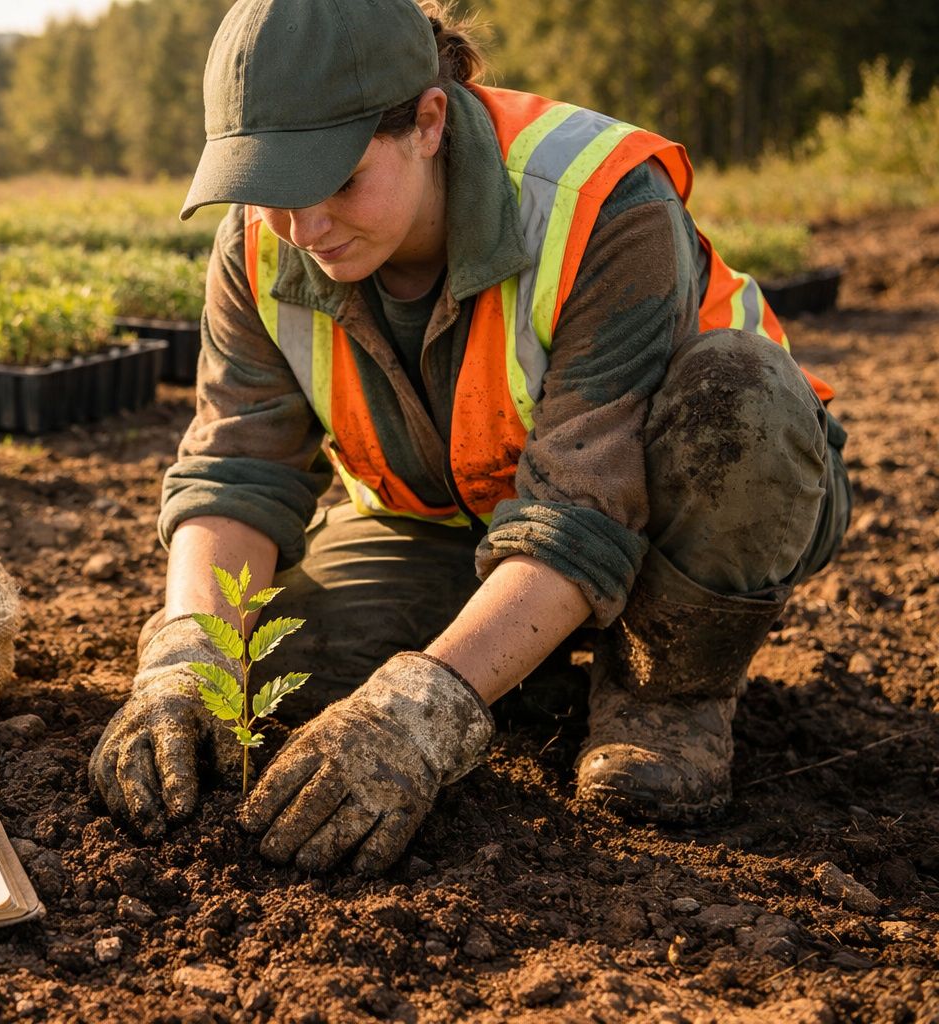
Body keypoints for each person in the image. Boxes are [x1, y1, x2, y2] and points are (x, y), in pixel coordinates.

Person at [90, 0, 850, 874]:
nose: (304, 228)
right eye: (269, 190)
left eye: (334, 180)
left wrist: (422, 711)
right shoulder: (259, 246)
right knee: (288, 665)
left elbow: (582, 510)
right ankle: (534, 660)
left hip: (713, 486)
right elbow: (235, 467)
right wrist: (192, 660)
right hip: (466, 517)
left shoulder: (598, 204)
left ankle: (664, 691)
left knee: (738, 397)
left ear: (428, 119)